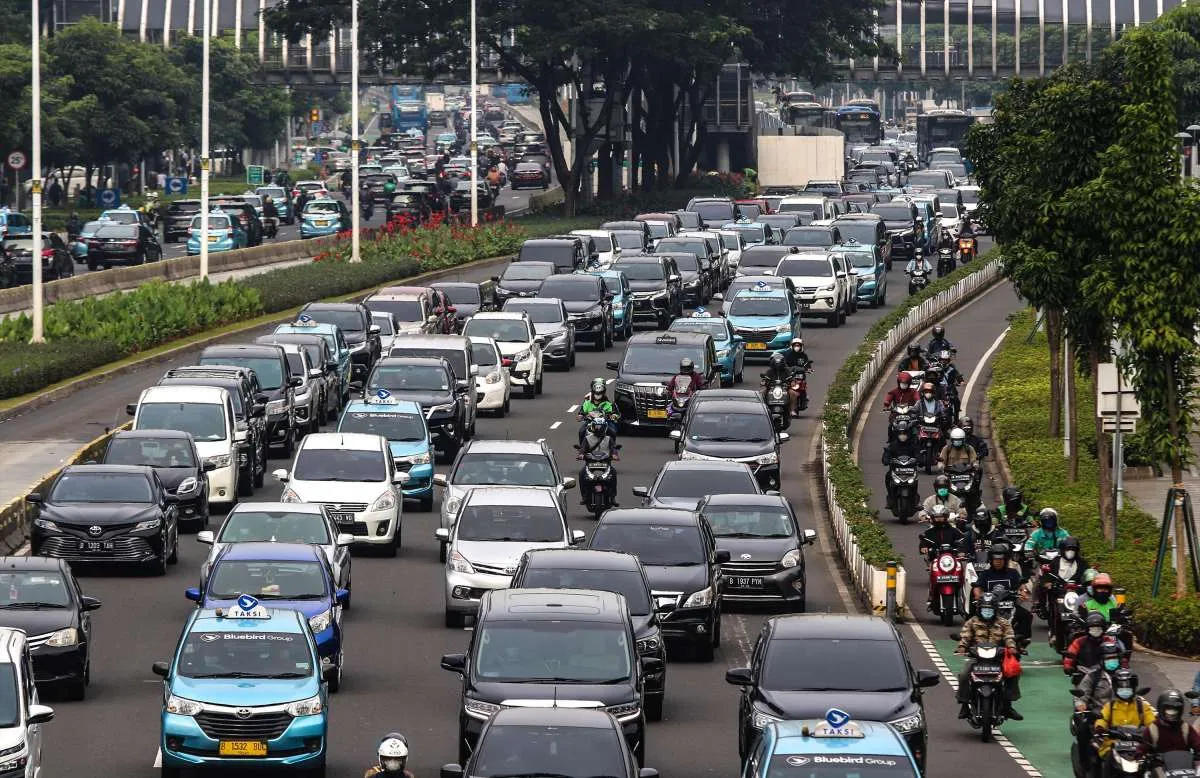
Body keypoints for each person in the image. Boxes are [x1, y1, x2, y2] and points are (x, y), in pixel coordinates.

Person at [955, 592, 1023, 720]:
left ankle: (1008, 705)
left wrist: (1012, 647)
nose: (987, 612)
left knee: (1014, 673)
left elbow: (1009, 636)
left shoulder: (1003, 623)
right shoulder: (972, 622)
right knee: (964, 675)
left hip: (997, 658)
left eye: (990, 609)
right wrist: (962, 646)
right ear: (979, 609)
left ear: (995, 609)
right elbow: (965, 635)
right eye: (984, 609)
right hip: (977, 658)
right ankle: (964, 705)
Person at [1094, 670, 1155, 760]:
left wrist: (1155, 732)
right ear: (1115, 688)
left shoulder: (1141, 706)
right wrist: (1100, 728)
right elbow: (1102, 719)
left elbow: (1152, 723)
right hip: (1113, 745)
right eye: (1121, 688)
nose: (1125, 690)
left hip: (1138, 744)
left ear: (1133, 687)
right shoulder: (1110, 706)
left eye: (1128, 687)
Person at [919, 504, 966, 605]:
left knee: (961, 571)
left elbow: (962, 540)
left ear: (946, 517)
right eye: (936, 517)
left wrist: (961, 550)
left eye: (941, 517)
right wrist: (924, 547)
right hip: (935, 559)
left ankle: (962, 595)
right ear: (932, 518)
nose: (939, 519)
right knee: (932, 574)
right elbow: (923, 542)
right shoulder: (929, 532)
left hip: (952, 559)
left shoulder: (954, 530)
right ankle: (931, 596)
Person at [1145, 689, 1200, 757]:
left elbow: (1197, 743)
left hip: (1184, 765)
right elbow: (1144, 746)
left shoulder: (1186, 728)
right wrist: (1139, 754)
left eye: (1175, 709)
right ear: (1161, 708)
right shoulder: (1153, 728)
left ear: (1180, 710)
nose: (1172, 713)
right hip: (1160, 766)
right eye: (1168, 709)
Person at [881, 424, 921, 510]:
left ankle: (915, 500)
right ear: (897, 435)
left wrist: (919, 459)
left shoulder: (912, 445)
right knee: (888, 477)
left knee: (915, 481)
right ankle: (891, 498)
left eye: (904, 434)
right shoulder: (893, 445)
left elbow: (918, 454)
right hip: (895, 470)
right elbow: (886, 454)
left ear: (908, 434)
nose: (902, 436)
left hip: (910, 470)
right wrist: (886, 460)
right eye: (900, 434)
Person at [577, 377, 619, 446]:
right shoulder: (587, 403)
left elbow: (615, 413)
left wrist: (613, 416)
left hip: (605, 423)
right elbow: (581, 412)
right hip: (590, 423)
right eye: (596, 393)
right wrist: (581, 416)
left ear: (604, 392)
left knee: (613, 431)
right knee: (581, 431)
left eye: (600, 393)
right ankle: (582, 449)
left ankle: (613, 449)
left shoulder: (609, 404)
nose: (598, 396)